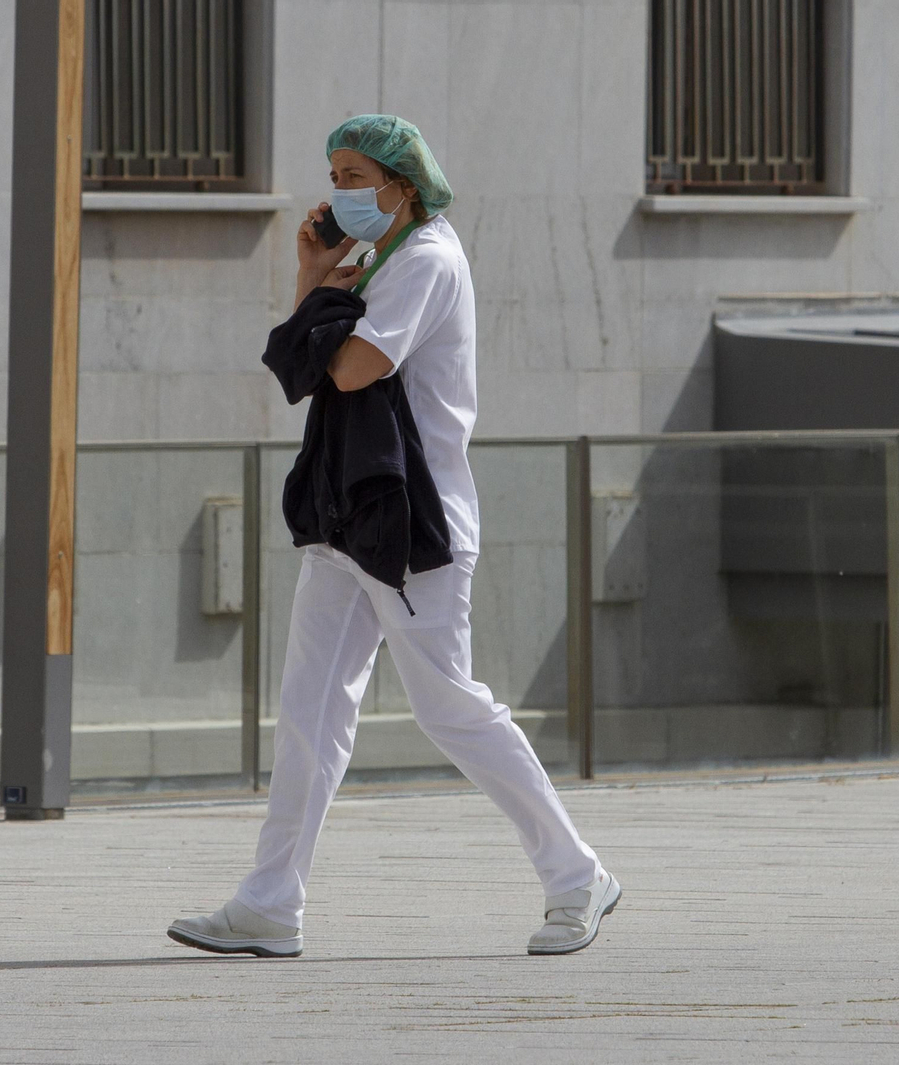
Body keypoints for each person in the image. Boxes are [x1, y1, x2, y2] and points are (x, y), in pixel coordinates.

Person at [167, 115, 619, 958]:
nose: (339, 191)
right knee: (309, 708)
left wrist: (323, 312)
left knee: (449, 706)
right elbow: (305, 369)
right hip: (351, 514)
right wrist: (311, 274)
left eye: (354, 175)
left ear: (401, 185)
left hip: (415, 523)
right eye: (333, 173)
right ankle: (269, 903)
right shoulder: (376, 259)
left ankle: (576, 874)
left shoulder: (428, 260)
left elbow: (348, 368)